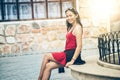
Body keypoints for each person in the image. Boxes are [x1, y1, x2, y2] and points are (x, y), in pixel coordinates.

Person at [38, 8, 85, 80]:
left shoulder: (78, 28)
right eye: (67, 16)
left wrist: (72, 61)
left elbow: (79, 46)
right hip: (67, 53)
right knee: (48, 66)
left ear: (76, 15)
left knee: (46, 56)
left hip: (71, 55)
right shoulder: (71, 27)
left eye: (70, 15)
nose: (69, 18)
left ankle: (39, 78)